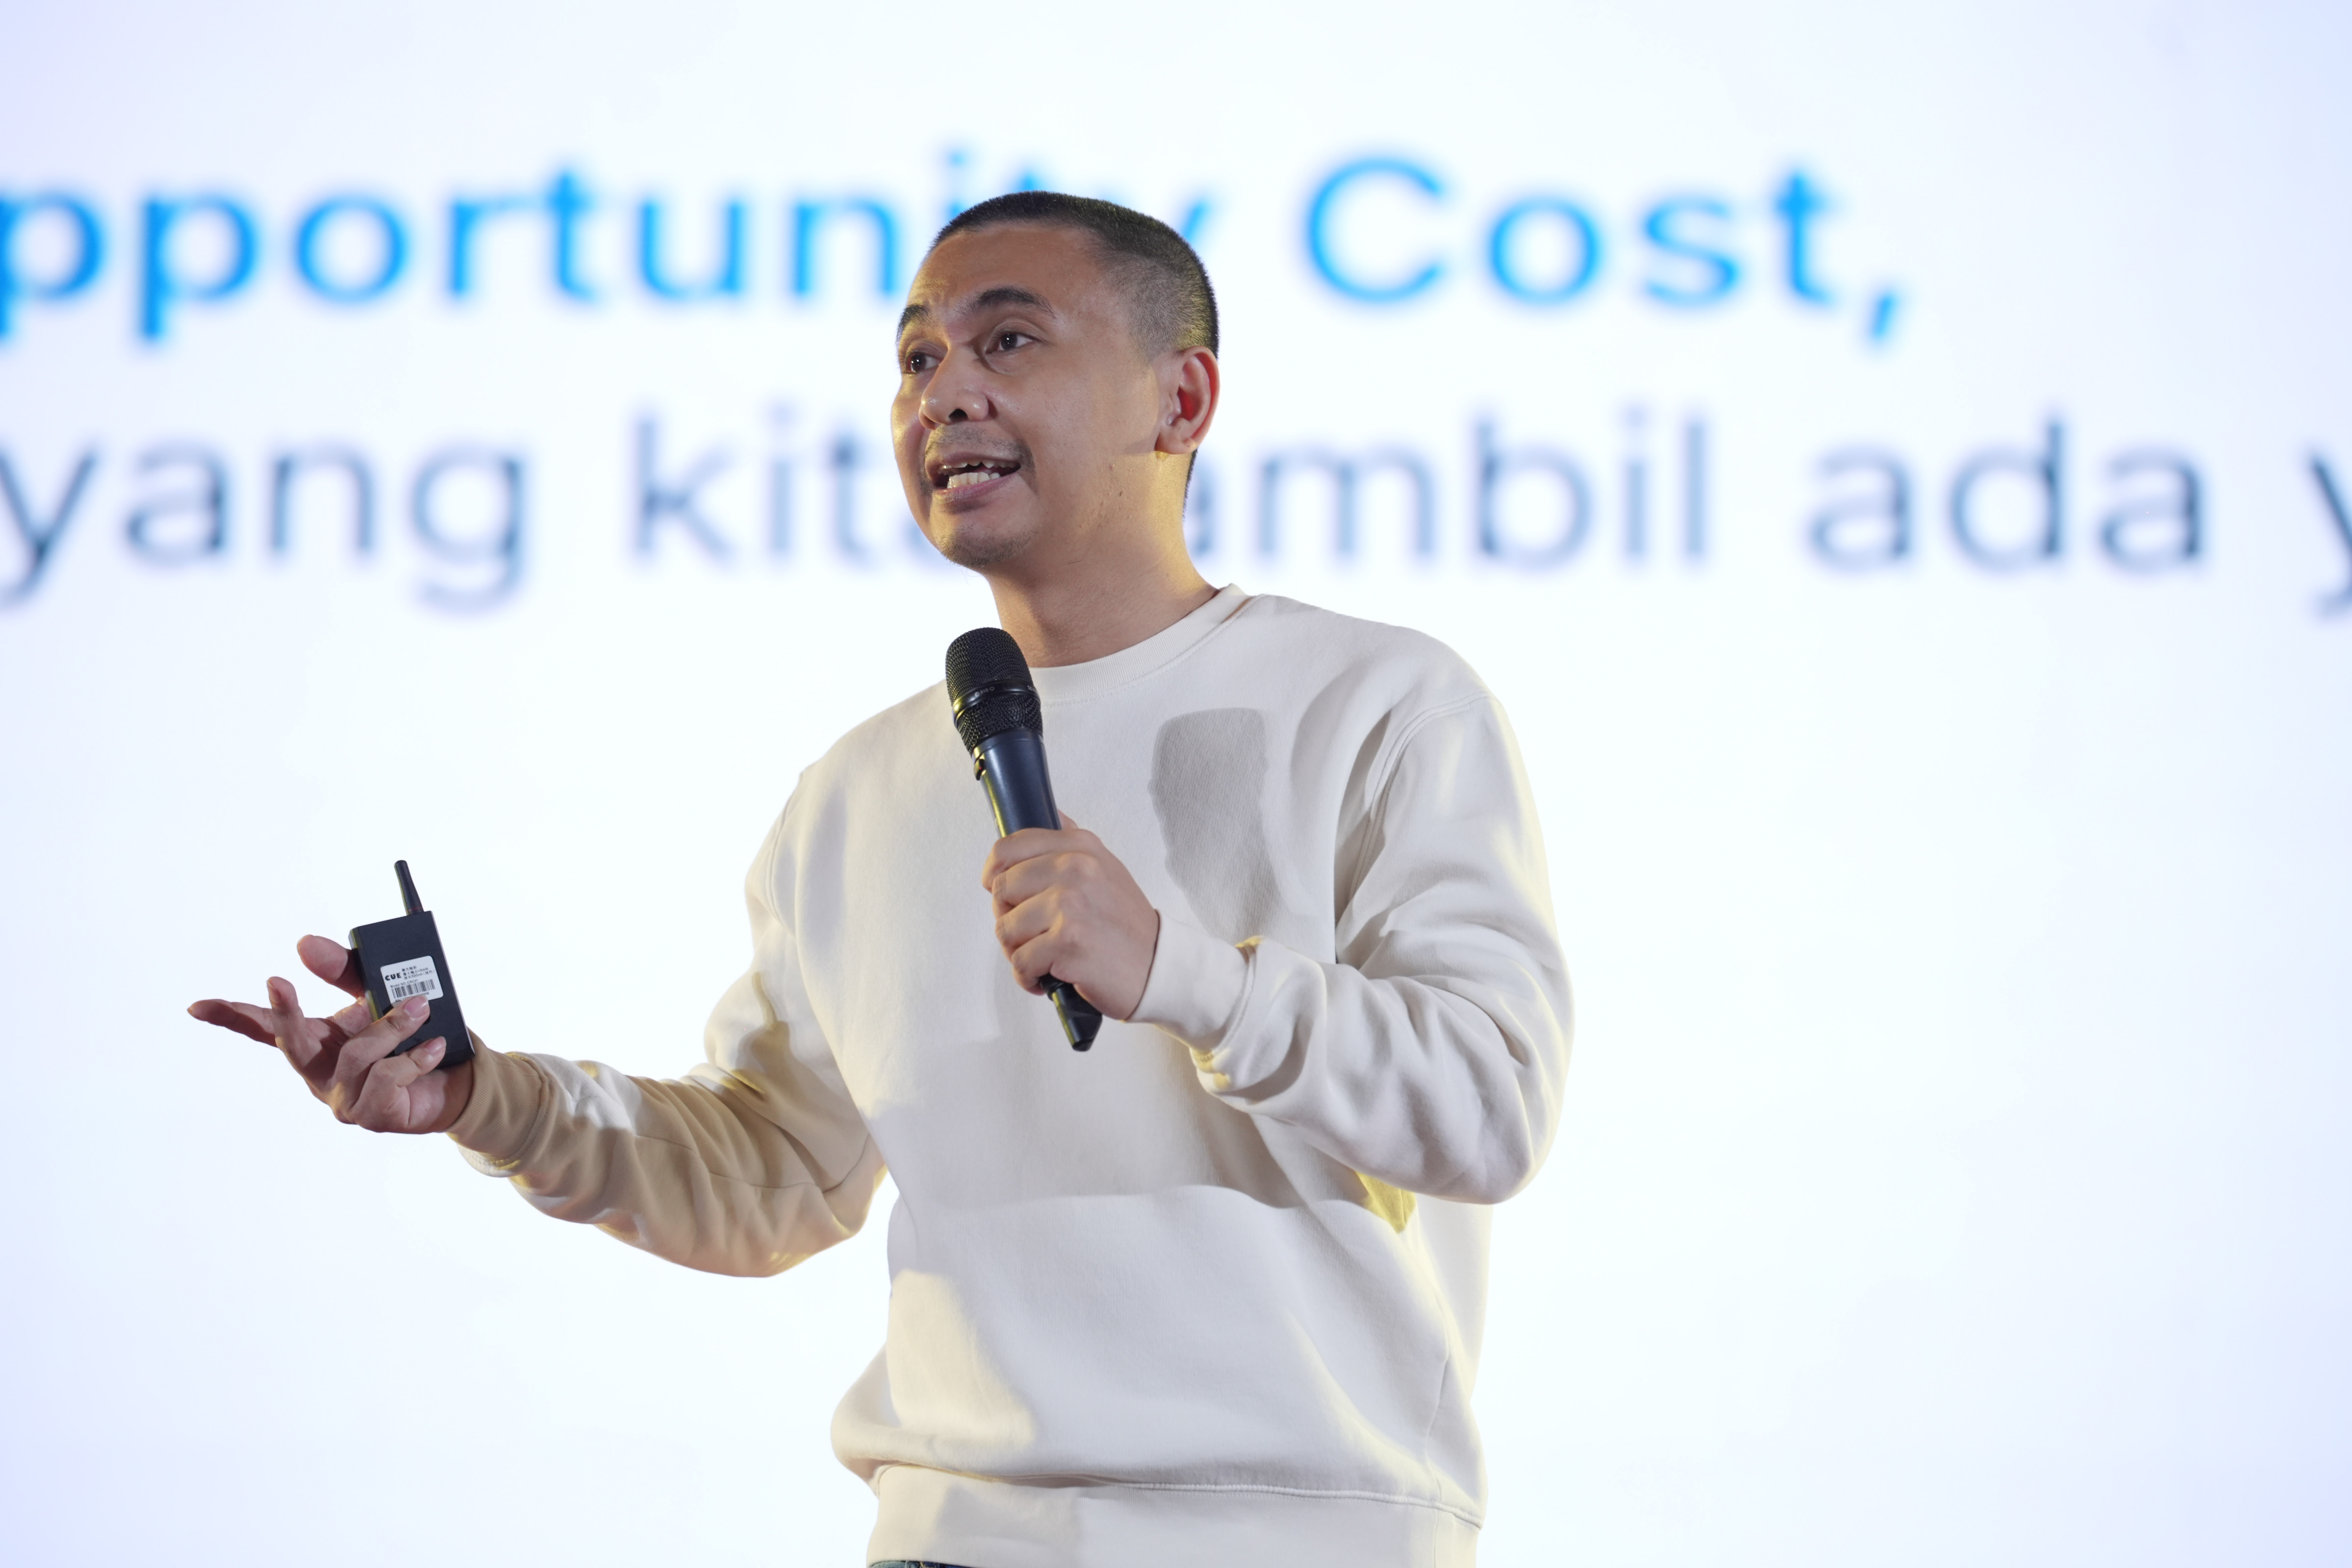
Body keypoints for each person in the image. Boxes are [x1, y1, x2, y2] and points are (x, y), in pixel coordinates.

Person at [192, 192, 1573, 1568]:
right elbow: (771, 1172)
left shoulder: (1381, 702)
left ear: (1183, 398)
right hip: (950, 1536)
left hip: (1297, 1538)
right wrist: (483, 1099)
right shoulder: (859, 791)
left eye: (1009, 341)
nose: (946, 394)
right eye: (917, 359)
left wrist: (1182, 973)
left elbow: (1492, 1106)